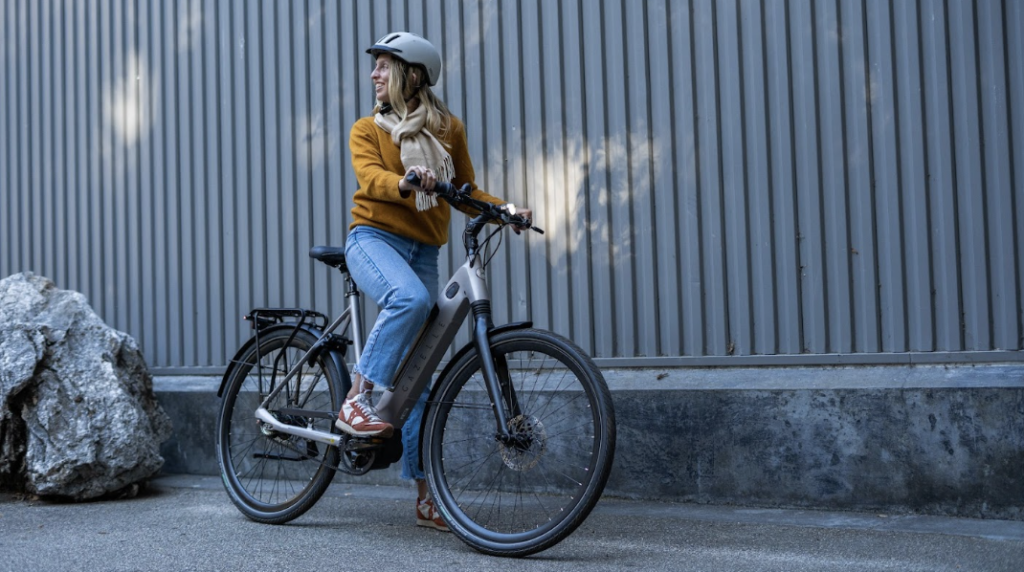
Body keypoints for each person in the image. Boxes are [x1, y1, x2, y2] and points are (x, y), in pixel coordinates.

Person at [337, 31, 532, 532]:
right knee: (409, 299)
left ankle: (427, 499)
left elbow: (464, 190)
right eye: (374, 67)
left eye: (384, 66)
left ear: (413, 75)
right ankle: (356, 399)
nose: (375, 75)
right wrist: (403, 181)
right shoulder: (367, 129)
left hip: (424, 249)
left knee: (420, 379)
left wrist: (503, 208)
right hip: (373, 240)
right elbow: (371, 179)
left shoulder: (448, 130)